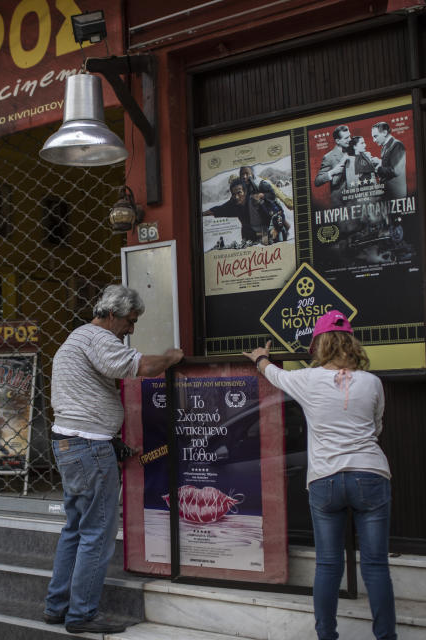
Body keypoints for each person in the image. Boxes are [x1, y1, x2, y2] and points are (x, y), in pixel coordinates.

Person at [243, 310, 396, 640]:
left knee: (328, 565)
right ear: (351, 342)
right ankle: (386, 637)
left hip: (325, 480)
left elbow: (274, 376)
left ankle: (327, 636)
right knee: (376, 565)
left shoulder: (308, 380)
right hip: (370, 474)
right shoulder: (373, 383)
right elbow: (377, 426)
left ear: (319, 345)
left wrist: (260, 359)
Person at [44, 285, 183, 635]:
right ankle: (82, 614)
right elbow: (141, 366)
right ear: (110, 314)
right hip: (88, 448)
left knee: (75, 528)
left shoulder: (76, 338)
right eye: (130, 321)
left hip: (71, 444)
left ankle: (56, 606)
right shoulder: (97, 338)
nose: (131, 329)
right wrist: (171, 357)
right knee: (96, 533)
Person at [203, 179, 262, 244]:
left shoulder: (255, 202)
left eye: (239, 192)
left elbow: (267, 221)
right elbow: (218, 209)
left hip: (263, 236)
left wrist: (265, 242)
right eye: (234, 194)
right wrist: (201, 214)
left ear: (245, 192)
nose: (236, 197)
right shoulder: (234, 204)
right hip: (247, 238)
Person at [314, 125, 352, 206]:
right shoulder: (329, 157)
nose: (350, 139)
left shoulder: (353, 150)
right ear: (338, 141)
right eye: (346, 138)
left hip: (355, 199)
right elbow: (317, 181)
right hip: (341, 203)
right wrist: (332, 172)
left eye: (349, 136)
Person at [370, 122, 407, 200]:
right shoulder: (385, 146)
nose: (374, 140)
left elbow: (395, 170)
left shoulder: (397, 145)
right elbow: (389, 163)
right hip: (388, 193)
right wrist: (379, 161)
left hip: (396, 195)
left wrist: (377, 169)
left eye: (375, 136)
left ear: (384, 132)